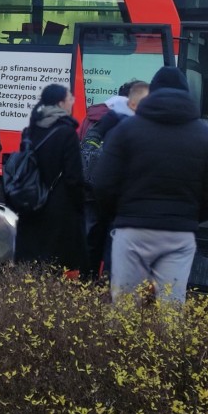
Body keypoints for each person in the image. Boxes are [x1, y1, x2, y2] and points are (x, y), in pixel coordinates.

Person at [94, 66, 208, 304]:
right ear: (187, 94)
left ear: (152, 92)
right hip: (179, 234)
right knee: (170, 312)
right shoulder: (207, 136)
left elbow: (103, 185)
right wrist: (187, 216)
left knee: (124, 310)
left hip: (132, 231)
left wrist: (123, 214)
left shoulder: (125, 131)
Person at [14, 83, 87, 276]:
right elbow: (73, 176)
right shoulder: (67, 133)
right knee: (54, 263)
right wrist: (80, 204)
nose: (73, 101)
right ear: (61, 103)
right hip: (58, 205)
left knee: (32, 263)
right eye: (70, 97)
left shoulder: (30, 129)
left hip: (31, 199)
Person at [82, 80, 150, 281]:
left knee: (92, 237)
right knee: (115, 241)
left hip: (92, 188)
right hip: (119, 192)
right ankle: (109, 285)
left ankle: (85, 284)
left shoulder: (95, 115)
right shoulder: (135, 121)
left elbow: (83, 144)